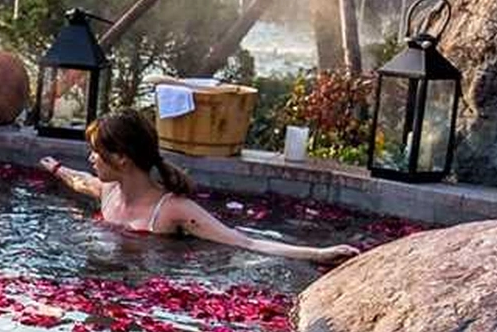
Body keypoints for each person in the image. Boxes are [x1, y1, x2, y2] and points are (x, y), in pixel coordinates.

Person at [40, 110, 360, 264]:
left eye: (96, 151)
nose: (91, 158)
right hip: (113, 281)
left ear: (122, 158)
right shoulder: (108, 191)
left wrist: (317, 254)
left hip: (149, 289)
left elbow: (245, 242)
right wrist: (55, 168)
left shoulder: (173, 211)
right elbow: (81, 181)